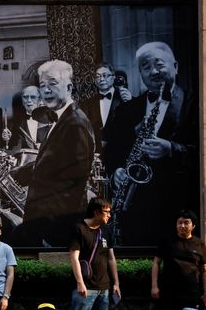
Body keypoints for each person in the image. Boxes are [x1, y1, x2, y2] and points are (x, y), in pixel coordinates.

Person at [105, 41, 197, 247]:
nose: (153, 71)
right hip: (135, 211)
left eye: (159, 64)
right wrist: (116, 171)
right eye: (146, 67)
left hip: (175, 207)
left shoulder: (195, 104)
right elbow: (111, 152)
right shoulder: (126, 111)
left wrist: (172, 149)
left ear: (176, 66)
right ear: (140, 73)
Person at [20, 59, 95, 247]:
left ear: (69, 87)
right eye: (42, 85)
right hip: (42, 224)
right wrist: (20, 171)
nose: (45, 90)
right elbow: (55, 164)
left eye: (52, 84)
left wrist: (51, 234)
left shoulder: (75, 123)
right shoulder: (62, 119)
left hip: (55, 231)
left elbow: (73, 187)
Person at [65, 197, 121, 310]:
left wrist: (116, 283)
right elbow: (74, 257)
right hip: (85, 288)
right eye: (106, 212)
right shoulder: (79, 228)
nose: (109, 215)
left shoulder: (106, 230)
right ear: (96, 212)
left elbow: (111, 258)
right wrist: (80, 283)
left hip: (104, 287)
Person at [151, 209, 206, 310]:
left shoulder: (199, 244)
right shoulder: (167, 241)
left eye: (186, 223)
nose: (182, 226)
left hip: (192, 293)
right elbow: (156, 263)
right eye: (180, 223)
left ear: (193, 226)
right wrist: (154, 286)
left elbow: (205, 269)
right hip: (168, 292)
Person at [79, 62, 131, 152]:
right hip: (96, 154)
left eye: (105, 75)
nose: (101, 79)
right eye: (98, 76)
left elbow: (134, 125)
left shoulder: (126, 99)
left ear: (113, 77)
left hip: (121, 152)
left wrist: (130, 103)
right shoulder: (86, 104)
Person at [10, 85, 48, 152]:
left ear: (40, 100)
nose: (29, 100)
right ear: (22, 100)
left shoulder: (50, 119)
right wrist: (6, 139)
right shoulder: (17, 122)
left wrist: (45, 146)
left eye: (33, 97)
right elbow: (12, 146)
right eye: (25, 97)